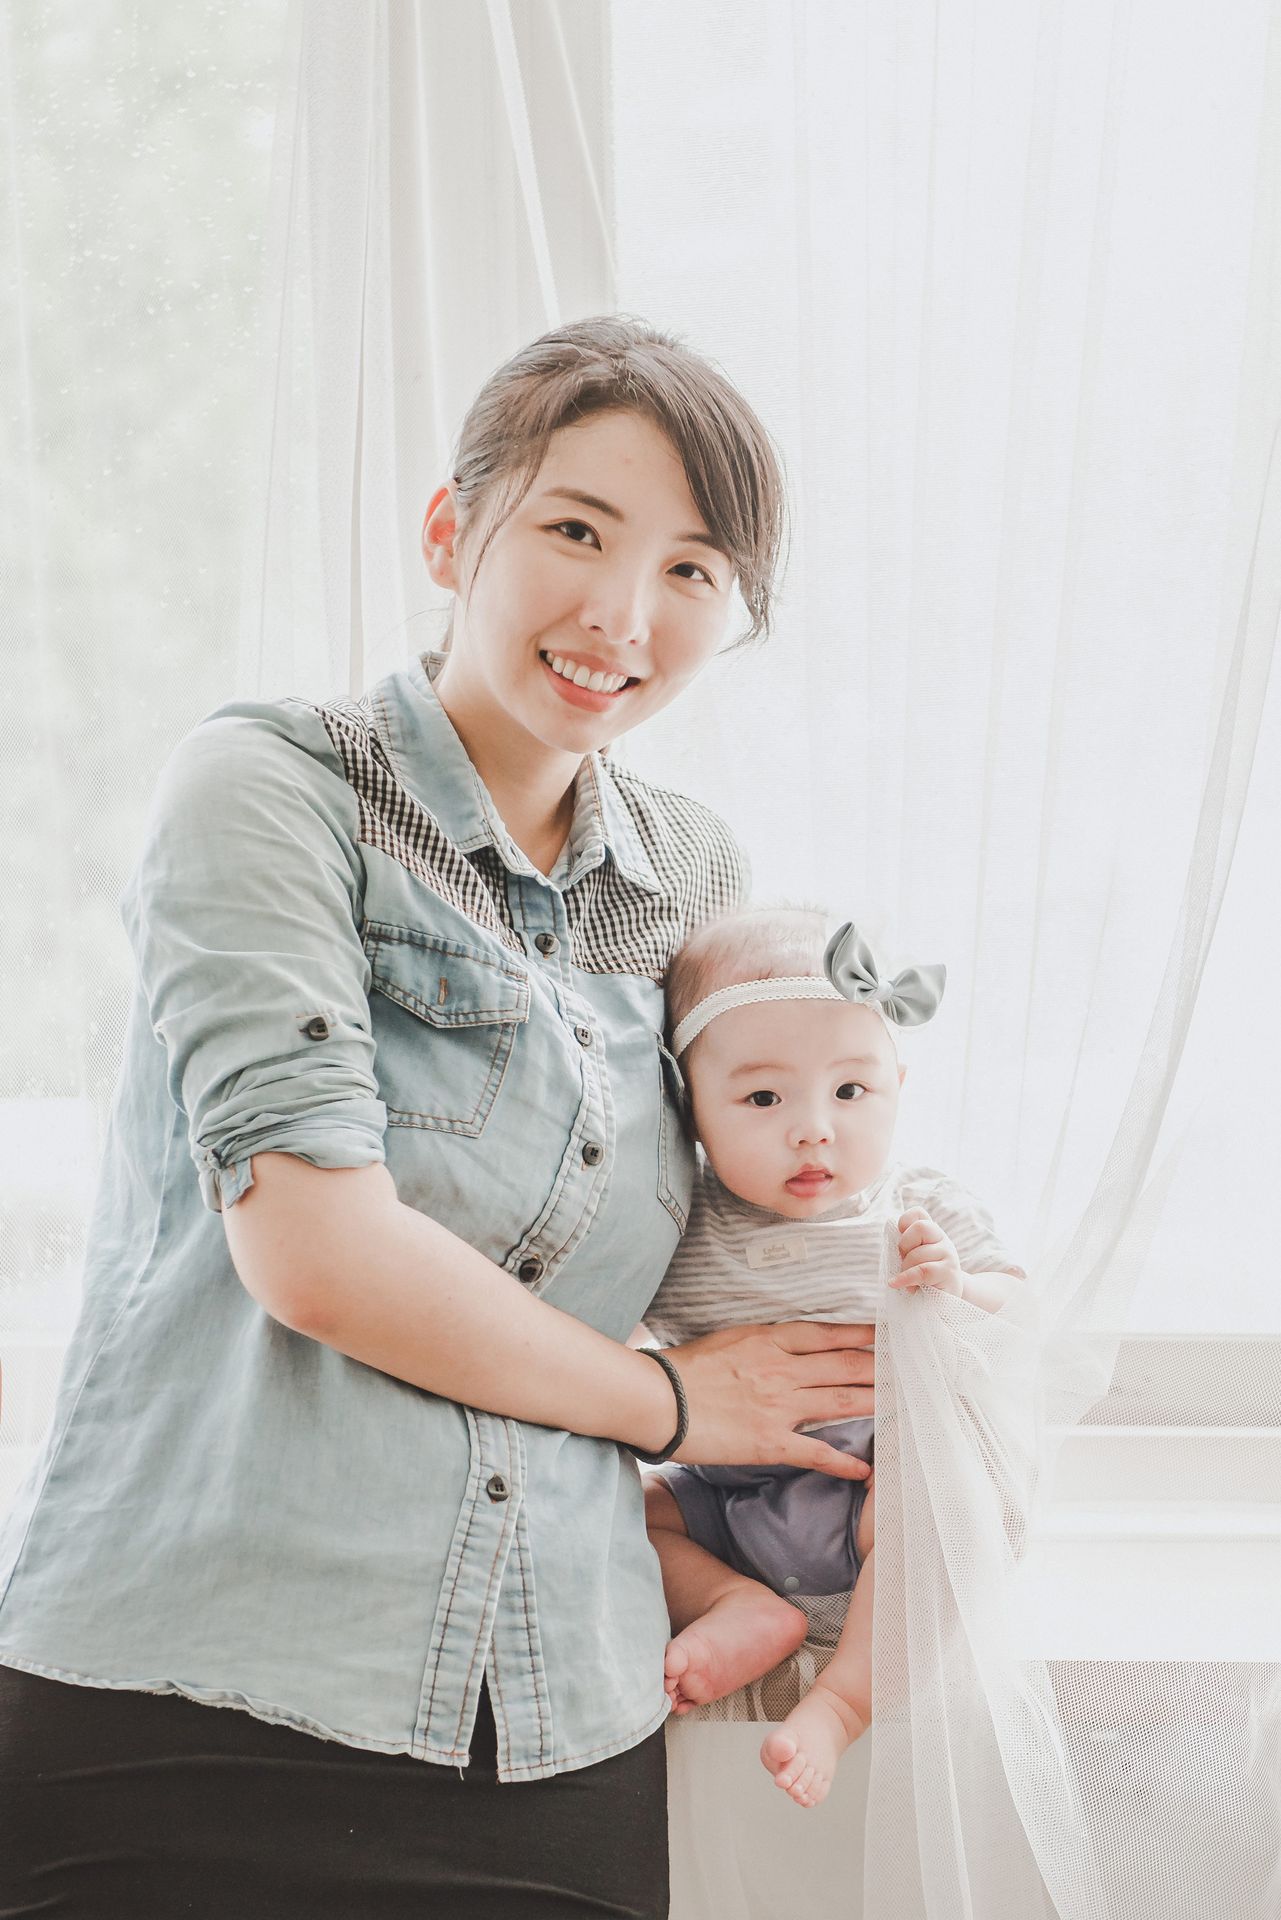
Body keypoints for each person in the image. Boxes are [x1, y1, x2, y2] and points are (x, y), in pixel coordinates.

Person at [0, 319, 878, 1919]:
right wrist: (669, 1405)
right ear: (448, 533)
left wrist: (932, 1312)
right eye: (577, 531)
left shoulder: (692, 875)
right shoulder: (274, 787)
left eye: (692, 569)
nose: (623, 615)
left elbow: (758, 1207)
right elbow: (318, 1256)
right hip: (195, 1689)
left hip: (554, 1714)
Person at [642, 906, 1025, 1808]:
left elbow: (1022, 1315)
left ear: (896, 1085)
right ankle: (737, 1605)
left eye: (850, 1092)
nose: (814, 1129)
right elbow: (613, 1339)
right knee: (620, 1507)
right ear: (688, 1106)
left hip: (873, 1487)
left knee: (944, 1494)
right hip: (728, 1499)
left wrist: (959, 1285)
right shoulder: (676, 1220)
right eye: (763, 1099)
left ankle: (843, 1700)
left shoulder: (915, 1204)